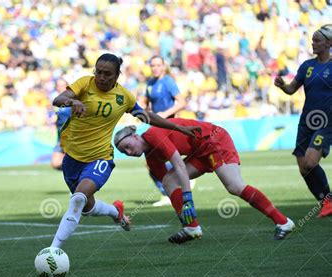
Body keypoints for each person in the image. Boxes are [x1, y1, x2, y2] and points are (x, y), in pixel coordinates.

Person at [50, 53, 200, 248]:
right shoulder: (85, 84)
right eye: (98, 72)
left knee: (78, 199)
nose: (102, 77)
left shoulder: (124, 97)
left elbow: (146, 116)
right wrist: (73, 101)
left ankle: (53, 251)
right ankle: (116, 212)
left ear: (117, 75)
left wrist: (178, 127)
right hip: (72, 158)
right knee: (87, 207)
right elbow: (58, 99)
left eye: (107, 74)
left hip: (100, 158)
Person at [114, 118, 295, 242]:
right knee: (169, 181)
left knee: (234, 186)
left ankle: (284, 222)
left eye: (128, 146)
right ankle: (192, 228)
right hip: (199, 151)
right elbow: (171, 187)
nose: (130, 152)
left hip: (214, 140)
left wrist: (188, 199)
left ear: (136, 136)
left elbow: (179, 165)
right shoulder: (151, 159)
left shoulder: (153, 135)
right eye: (124, 152)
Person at [274, 24, 332, 217]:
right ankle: (325, 202)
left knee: (309, 161)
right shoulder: (307, 66)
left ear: (329, 43)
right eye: (312, 40)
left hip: (327, 122)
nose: (313, 43)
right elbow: (292, 89)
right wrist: (283, 86)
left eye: (317, 40)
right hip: (307, 121)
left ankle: (329, 201)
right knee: (303, 168)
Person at [142, 55, 190, 207]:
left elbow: (182, 102)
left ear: (163, 66)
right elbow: (146, 101)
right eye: (153, 65)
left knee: (158, 160)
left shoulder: (168, 81)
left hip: (168, 125)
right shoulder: (150, 83)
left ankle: (171, 190)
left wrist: (165, 113)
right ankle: (173, 187)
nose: (155, 68)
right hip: (156, 126)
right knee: (154, 162)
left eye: (158, 65)